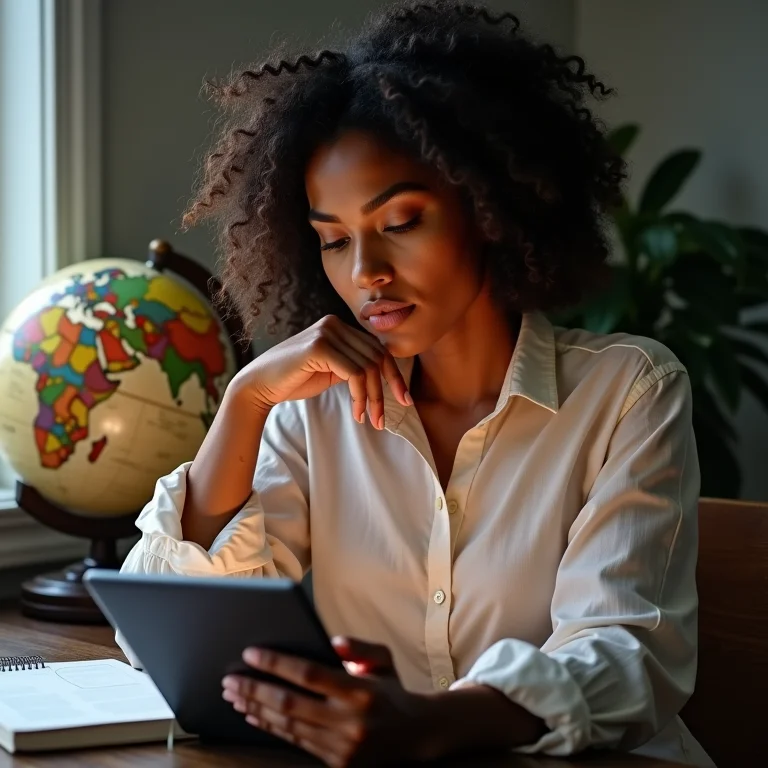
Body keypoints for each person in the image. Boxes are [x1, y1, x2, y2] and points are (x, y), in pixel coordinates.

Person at [115, 2, 714, 766]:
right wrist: (246, 401)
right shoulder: (312, 413)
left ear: (492, 209)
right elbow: (159, 640)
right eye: (333, 240)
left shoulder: (628, 392)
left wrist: (434, 721)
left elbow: (626, 654)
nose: (364, 274)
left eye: (400, 222)